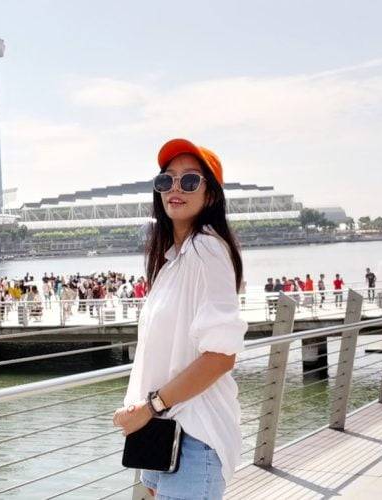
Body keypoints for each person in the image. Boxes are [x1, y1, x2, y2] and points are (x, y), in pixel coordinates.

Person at [113, 138, 246, 499]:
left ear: (211, 195)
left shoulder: (207, 249)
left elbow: (220, 356)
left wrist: (150, 406)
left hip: (193, 437)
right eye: (166, 180)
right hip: (161, 436)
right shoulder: (174, 259)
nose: (175, 188)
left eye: (189, 181)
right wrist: (148, 414)